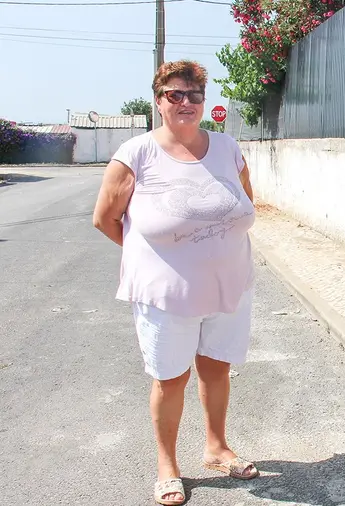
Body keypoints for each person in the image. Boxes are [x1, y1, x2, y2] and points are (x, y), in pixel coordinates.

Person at [92, 60, 259, 505]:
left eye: (194, 95)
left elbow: (245, 202)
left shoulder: (227, 148)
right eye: (174, 95)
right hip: (166, 295)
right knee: (171, 378)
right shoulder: (137, 153)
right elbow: (105, 219)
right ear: (159, 100)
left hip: (229, 286)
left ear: (205, 102)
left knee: (217, 368)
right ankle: (167, 464)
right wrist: (155, 257)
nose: (185, 102)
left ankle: (216, 447)